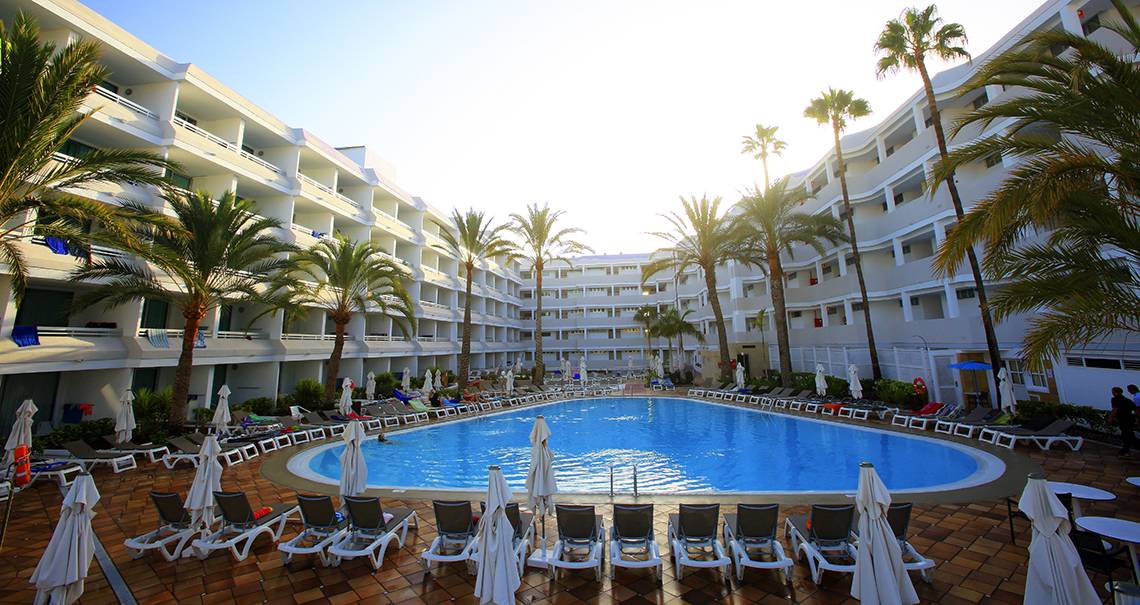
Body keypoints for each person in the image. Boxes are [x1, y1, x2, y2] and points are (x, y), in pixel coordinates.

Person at [1111, 386, 1136, 456]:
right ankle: (1126, 449)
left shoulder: (1115, 399)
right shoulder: (1127, 400)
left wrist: (1110, 418)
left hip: (1123, 420)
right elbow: (1134, 410)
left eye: (1112, 391)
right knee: (1129, 434)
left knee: (1126, 434)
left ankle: (1125, 450)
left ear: (1115, 392)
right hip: (1130, 420)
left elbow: (1115, 409)